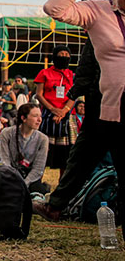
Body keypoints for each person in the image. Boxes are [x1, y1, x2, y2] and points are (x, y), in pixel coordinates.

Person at [34, 0, 125, 223]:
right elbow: (54, 8)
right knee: (83, 156)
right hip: (105, 106)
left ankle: (57, 205)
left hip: (100, 106)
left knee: (83, 157)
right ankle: (57, 205)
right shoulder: (99, 18)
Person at [34, 45, 76, 173]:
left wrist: (63, 111)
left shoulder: (72, 75)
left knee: (66, 154)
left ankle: (62, 183)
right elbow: (39, 94)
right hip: (48, 114)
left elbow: (74, 95)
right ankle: (37, 180)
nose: (64, 57)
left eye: (66, 55)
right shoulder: (44, 73)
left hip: (67, 115)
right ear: (54, 56)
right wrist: (53, 109)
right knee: (44, 151)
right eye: (61, 55)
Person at [0, 104, 49, 195]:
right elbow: (5, 161)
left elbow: (38, 169)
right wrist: (13, 181)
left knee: (37, 193)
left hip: (30, 178)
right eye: (35, 116)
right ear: (23, 118)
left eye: (40, 116)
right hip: (11, 174)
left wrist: (23, 184)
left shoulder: (43, 139)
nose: (39, 120)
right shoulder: (7, 133)